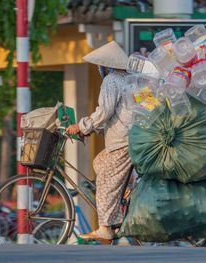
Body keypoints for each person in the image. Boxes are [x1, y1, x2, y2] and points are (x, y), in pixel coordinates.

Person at [66, 41, 133, 241]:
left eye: (99, 65)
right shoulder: (129, 79)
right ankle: (128, 190)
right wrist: (92, 129)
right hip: (131, 138)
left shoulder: (111, 81)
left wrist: (81, 126)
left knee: (104, 181)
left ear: (107, 66)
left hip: (123, 142)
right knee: (100, 162)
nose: (97, 68)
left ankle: (105, 226)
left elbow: (104, 112)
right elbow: (120, 115)